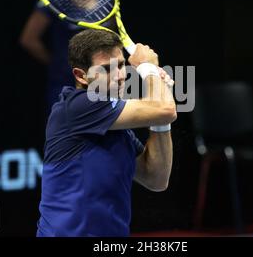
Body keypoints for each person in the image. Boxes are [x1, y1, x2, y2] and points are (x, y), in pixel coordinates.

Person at [36, 29, 177, 237]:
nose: (120, 76)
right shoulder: (77, 106)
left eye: (120, 65)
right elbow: (165, 110)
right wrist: (149, 68)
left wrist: (160, 118)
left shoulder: (118, 127)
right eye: (106, 69)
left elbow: (156, 179)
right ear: (81, 76)